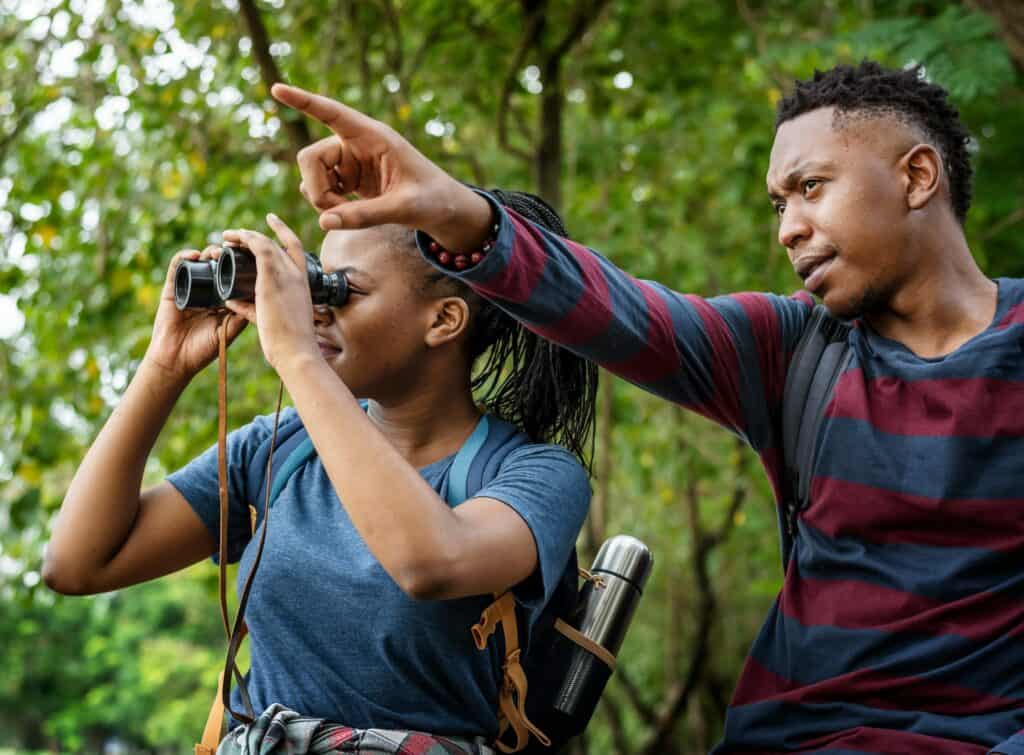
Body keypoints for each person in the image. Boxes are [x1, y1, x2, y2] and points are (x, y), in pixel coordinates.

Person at [270, 61, 1024, 755]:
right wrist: (453, 213)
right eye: (779, 202)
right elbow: (619, 311)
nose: (788, 227)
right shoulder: (793, 350)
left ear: (916, 176)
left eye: (811, 187)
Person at [42, 190, 598, 753]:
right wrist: (166, 363)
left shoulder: (536, 475)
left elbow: (429, 563)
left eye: (341, 290)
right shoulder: (278, 449)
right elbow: (78, 563)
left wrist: (297, 356)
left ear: (443, 320)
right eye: (312, 284)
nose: (312, 310)